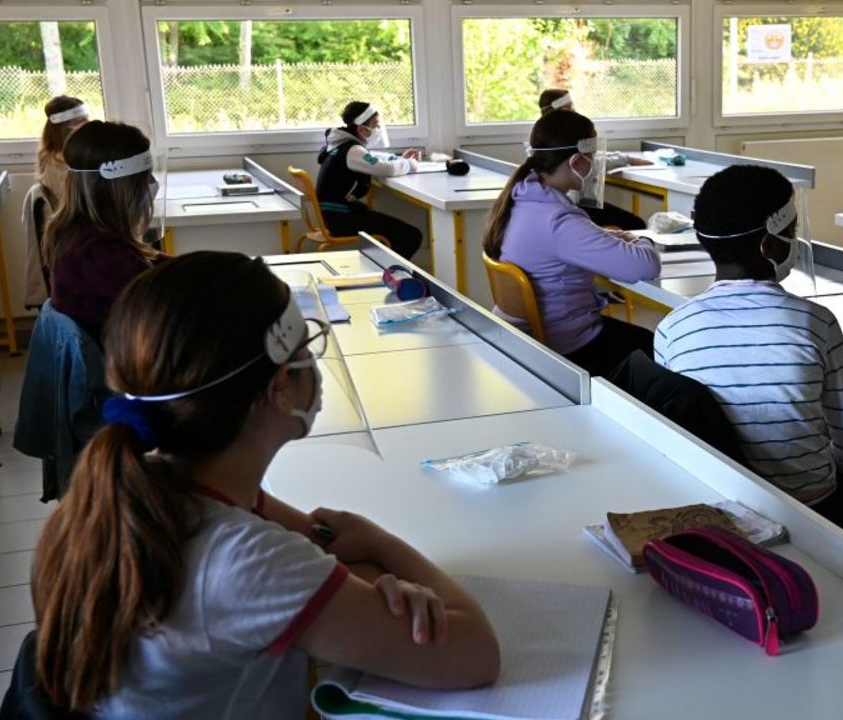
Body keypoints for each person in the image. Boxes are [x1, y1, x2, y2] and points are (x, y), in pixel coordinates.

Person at [29, 252, 501, 717]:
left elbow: (336, 555)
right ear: (279, 388)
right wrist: (382, 542)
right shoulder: (244, 559)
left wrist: (366, 584)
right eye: (307, 351)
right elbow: (476, 655)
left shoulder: (146, 484)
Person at [653, 165, 843, 536]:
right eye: (791, 233)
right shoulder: (817, 323)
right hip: (809, 509)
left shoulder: (671, 328)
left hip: (717, 509)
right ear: (769, 245)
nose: (795, 243)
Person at [483, 110, 661, 378]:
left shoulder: (525, 198)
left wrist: (604, 237)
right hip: (568, 346)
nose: (594, 165)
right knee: (653, 345)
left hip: (533, 337)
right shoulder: (558, 219)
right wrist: (641, 238)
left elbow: (568, 241)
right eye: (592, 158)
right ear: (577, 161)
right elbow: (645, 266)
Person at [42, 120, 166, 341]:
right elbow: (164, 313)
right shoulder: (100, 257)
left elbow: (153, 268)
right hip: (126, 367)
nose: (153, 183)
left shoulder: (77, 236)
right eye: (145, 177)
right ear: (122, 190)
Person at [316, 101, 425, 259]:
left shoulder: (341, 144)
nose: (378, 130)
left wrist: (399, 158)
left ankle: (387, 271)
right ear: (361, 129)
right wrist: (410, 164)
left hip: (334, 214)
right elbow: (387, 168)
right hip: (341, 219)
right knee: (411, 236)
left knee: (399, 234)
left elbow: (372, 157)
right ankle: (391, 275)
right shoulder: (352, 150)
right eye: (375, 125)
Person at [537, 89, 650, 231]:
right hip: (576, 203)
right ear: (564, 110)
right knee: (636, 224)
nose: (574, 111)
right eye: (571, 108)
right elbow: (591, 162)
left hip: (572, 202)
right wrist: (626, 159)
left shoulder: (541, 135)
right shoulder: (564, 137)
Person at [36, 96, 89, 206]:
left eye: (87, 119)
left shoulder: (51, 155)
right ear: (64, 129)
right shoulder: (62, 164)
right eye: (80, 122)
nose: (88, 125)